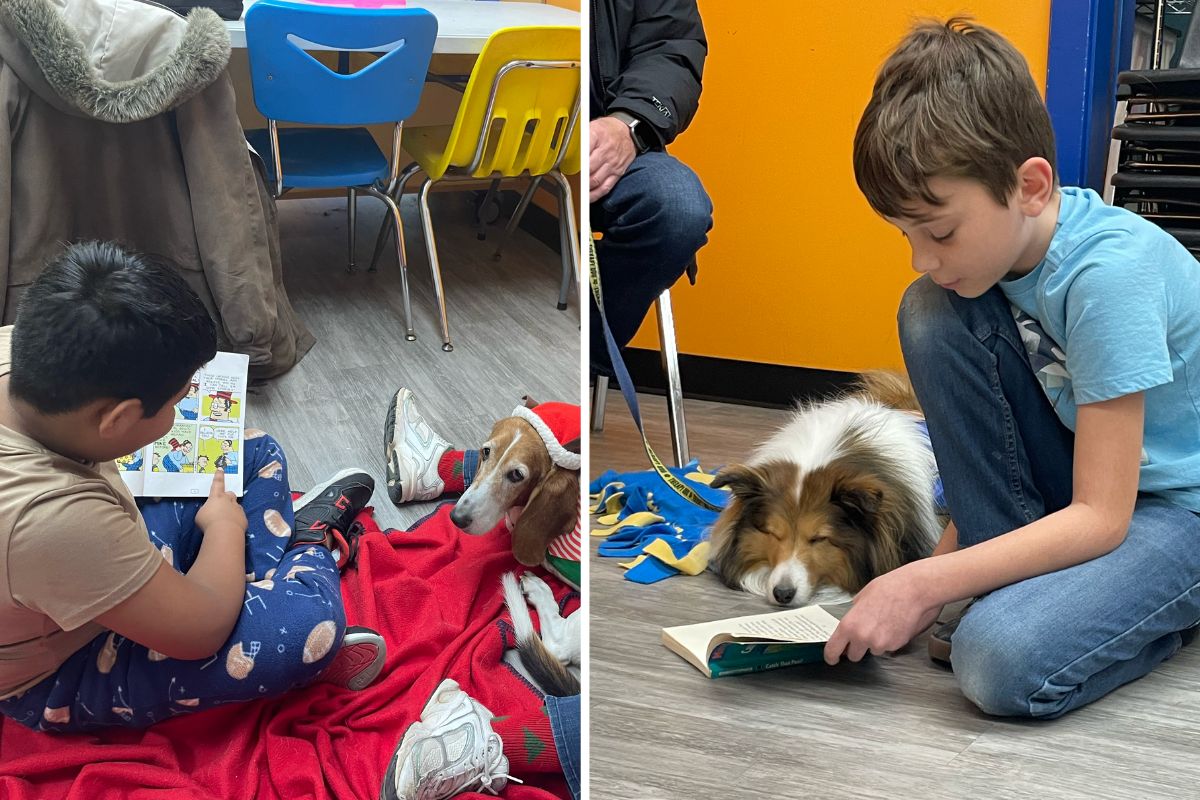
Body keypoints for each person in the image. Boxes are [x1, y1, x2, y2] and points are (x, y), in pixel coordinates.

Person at [823, 18, 1200, 719]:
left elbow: (1102, 516)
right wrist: (929, 574)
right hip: (1094, 482)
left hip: (1176, 509)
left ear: (1030, 186)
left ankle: (1156, 616)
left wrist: (924, 584)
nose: (923, 256)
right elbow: (992, 450)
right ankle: (1030, 587)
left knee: (998, 661)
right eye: (906, 235)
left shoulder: (1107, 275)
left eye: (938, 232)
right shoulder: (990, 263)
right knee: (929, 307)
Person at [0, 242, 384, 733]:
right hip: (61, 666)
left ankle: (238, 583)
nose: (180, 413)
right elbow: (199, 634)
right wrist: (223, 529)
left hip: (87, 561)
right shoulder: (51, 519)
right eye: (175, 404)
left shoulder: (19, 349)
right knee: (311, 628)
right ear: (115, 419)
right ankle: (307, 541)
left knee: (250, 451)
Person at [381, 389, 581, 800]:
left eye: (515, 477)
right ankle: (437, 468)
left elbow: (534, 536)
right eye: (486, 453)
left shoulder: (558, 492)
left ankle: (490, 743)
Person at [589, 0, 712, 375]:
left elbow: (672, 46)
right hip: (532, 133)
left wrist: (629, 124)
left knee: (678, 208)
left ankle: (584, 363)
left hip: (614, 138)